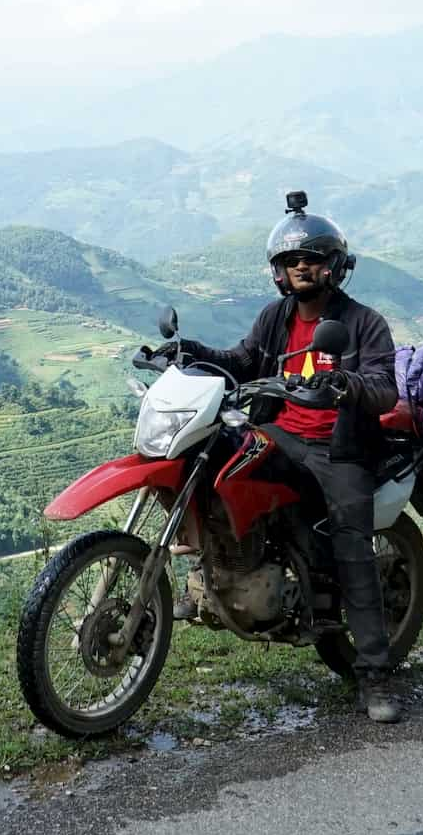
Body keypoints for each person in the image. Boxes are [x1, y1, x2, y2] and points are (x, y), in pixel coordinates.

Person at [155, 192, 403, 722]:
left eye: (312, 258)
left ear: (334, 265)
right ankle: (209, 575)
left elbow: (385, 389)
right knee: (210, 461)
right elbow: (242, 361)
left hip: (341, 450)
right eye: (292, 261)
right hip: (279, 435)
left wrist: (346, 383)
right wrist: (191, 352)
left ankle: (377, 674)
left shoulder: (363, 324)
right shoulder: (276, 317)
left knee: (351, 548)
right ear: (279, 271)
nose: (302, 268)